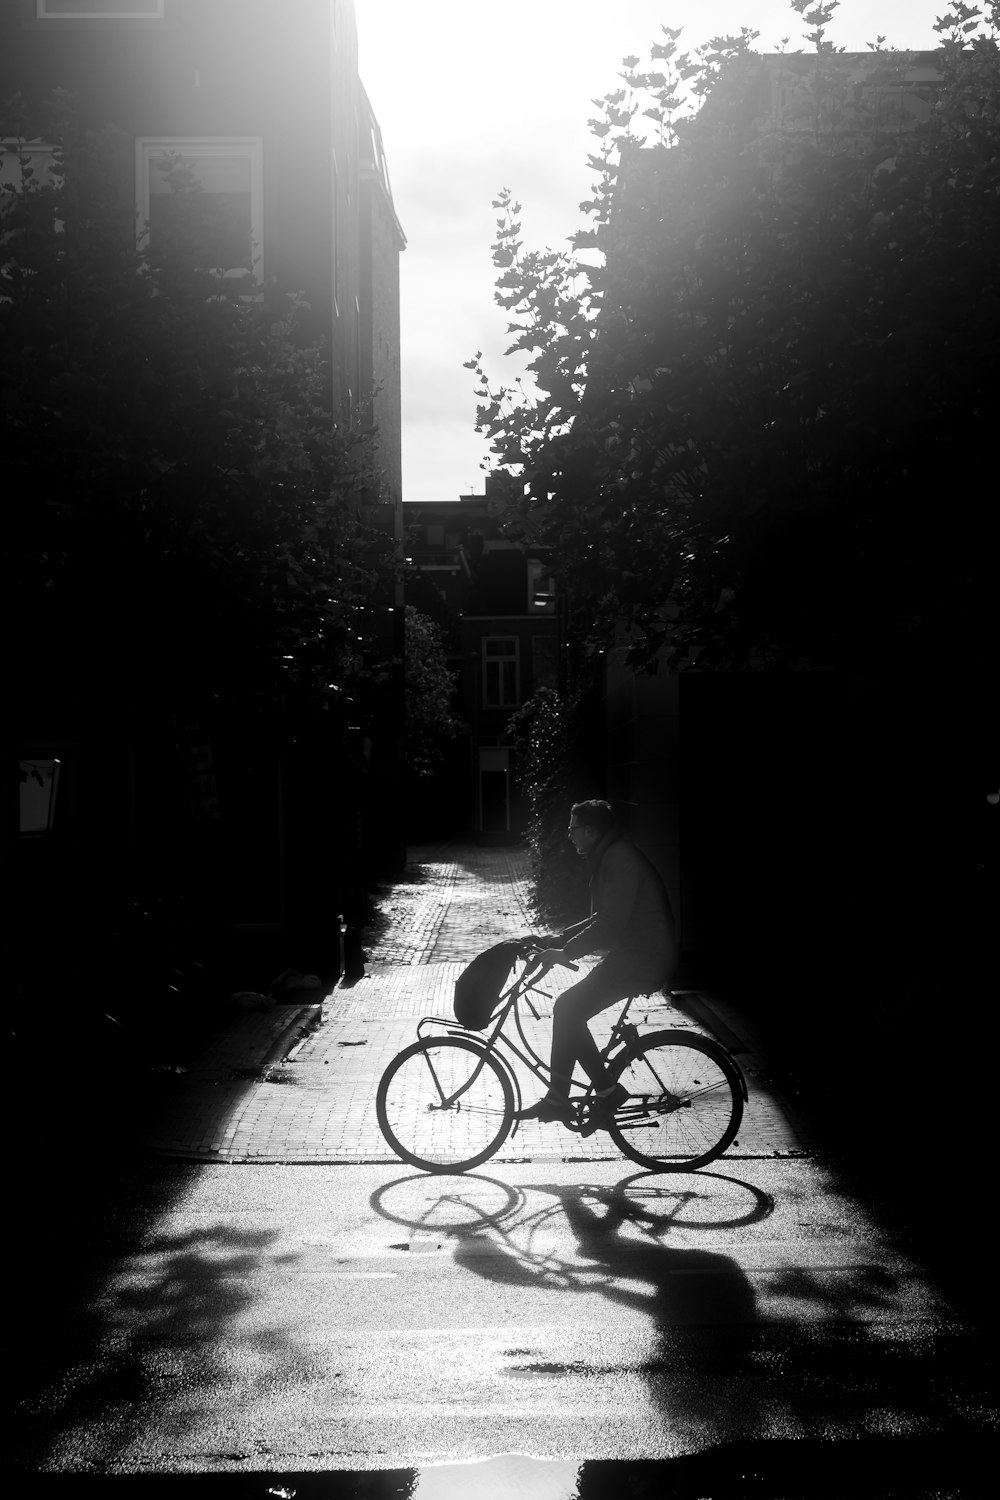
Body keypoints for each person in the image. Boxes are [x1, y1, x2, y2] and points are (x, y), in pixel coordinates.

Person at [517, 799, 678, 1132]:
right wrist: (558, 940)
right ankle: (559, 1097)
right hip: (634, 954)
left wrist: (566, 953)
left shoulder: (619, 859)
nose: (570, 836)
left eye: (572, 829)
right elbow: (599, 918)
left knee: (568, 1008)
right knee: (568, 1008)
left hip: (643, 958)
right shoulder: (610, 855)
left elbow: (608, 926)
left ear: (590, 831)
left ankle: (604, 1091)